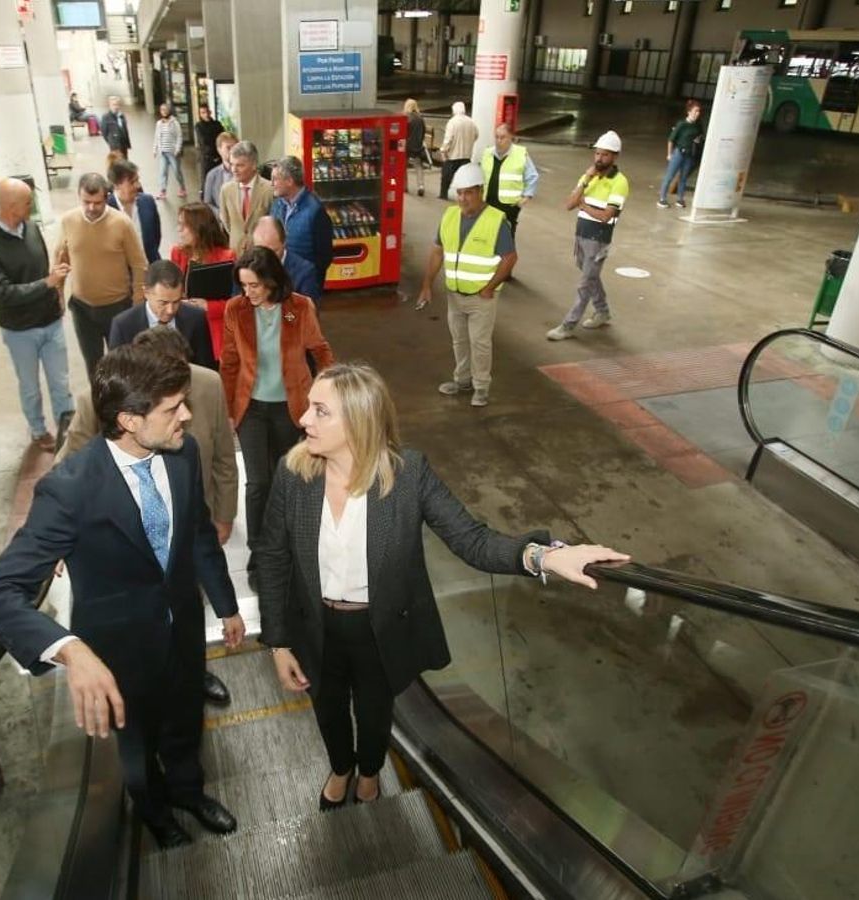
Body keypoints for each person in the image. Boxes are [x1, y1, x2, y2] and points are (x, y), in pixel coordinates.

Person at [255, 362, 630, 810]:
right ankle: (341, 768)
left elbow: (472, 540)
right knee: (328, 708)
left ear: (358, 420)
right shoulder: (293, 475)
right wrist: (279, 643)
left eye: (320, 411)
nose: (303, 420)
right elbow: (273, 558)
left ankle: (370, 772)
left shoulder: (408, 475)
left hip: (377, 630)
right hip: (315, 626)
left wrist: (544, 555)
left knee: (375, 712)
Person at [0, 344, 245, 849]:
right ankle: (156, 815)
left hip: (184, 629)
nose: (187, 415)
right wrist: (73, 652)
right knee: (136, 745)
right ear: (128, 419)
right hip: (115, 651)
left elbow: (199, 537)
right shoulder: (69, 490)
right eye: (172, 409)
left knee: (187, 718)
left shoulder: (182, 454)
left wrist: (226, 606)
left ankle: (190, 792)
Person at [54, 325, 240, 707]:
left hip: (188, 527)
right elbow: (67, 464)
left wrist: (224, 514)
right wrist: (57, 528)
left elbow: (223, 456)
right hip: (126, 543)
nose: (182, 410)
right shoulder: (98, 401)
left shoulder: (207, 385)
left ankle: (192, 673)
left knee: (187, 608)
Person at [221, 247, 335, 562]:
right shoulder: (235, 310)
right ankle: (259, 553)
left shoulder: (299, 307)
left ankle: (290, 541)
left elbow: (320, 351)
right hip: (251, 409)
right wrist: (229, 412)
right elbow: (229, 363)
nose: (248, 292)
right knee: (258, 482)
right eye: (243, 286)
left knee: (288, 477)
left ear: (271, 280)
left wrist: (325, 396)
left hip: (291, 408)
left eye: (254, 285)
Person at [0, 177, 74, 452]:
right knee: (30, 387)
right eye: (28, 202)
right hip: (20, 331)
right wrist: (47, 284)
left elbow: (43, 269)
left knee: (61, 382)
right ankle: (39, 431)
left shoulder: (30, 227)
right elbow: (4, 293)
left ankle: (68, 429)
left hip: (50, 321)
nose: (33, 205)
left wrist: (56, 292)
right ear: (11, 206)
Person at [414, 162, 515, 409]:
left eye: (468, 192)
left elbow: (510, 258)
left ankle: (481, 387)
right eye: (459, 192)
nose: (463, 198)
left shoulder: (495, 221)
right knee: (459, 340)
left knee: (479, 343)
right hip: (455, 295)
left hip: (481, 298)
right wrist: (427, 284)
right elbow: (437, 252)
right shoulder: (449, 216)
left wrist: (490, 288)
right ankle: (462, 381)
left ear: (480, 192)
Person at [54, 173, 149, 380]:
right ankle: (100, 407)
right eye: (86, 202)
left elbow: (140, 265)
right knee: (94, 366)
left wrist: (136, 303)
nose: (91, 208)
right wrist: (59, 293)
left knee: (123, 364)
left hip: (118, 308)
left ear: (106, 197)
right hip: (82, 310)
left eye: (97, 203)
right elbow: (60, 260)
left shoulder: (121, 223)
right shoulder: (68, 221)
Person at [547, 131, 630, 339]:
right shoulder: (589, 176)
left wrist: (582, 204)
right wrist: (585, 181)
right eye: (597, 154)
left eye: (605, 155)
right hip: (581, 234)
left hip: (598, 238)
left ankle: (568, 325)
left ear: (615, 156)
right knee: (590, 275)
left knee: (585, 283)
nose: (599, 159)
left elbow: (606, 215)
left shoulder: (619, 182)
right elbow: (568, 204)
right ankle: (602, 311)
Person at [109, 259, 217, 371]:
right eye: (163, 303)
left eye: (176, 301)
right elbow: (116, 373)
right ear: (146, 293)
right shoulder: (123, 325)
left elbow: (206, 368)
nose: (170, 310)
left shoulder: (196, 318)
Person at [171, 202, 239, 361]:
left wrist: (208, 306)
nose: (179, 230)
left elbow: (237, 303)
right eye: (178, 224)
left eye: (183, 225)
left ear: (198, 227)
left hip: (215, 330)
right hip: (186, 328)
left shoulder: (227, 257)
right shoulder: (177, 253)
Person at [269, 155, 334, 296]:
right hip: (279, 283)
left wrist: (308, 279)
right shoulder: (276, 205)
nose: (271, 183)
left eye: (275, 179)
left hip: (304, 286)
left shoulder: (315, 211)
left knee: (301, 318)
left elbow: (324, 257)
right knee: (285, 318)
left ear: (289, 181)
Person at [478, 122, 539, 237]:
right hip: (488, 203)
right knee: (487, 236)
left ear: (511, 137)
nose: (498, 141)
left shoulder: (521, 154)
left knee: (505, 238)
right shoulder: (487, 153)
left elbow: (532, 176)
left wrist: (526, 197)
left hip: (509, 206)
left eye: (502, 137)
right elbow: (480, 176)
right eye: (496, 137)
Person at [218, 140, 272, 255]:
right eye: (232, 164)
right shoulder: (226, 190)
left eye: (240, 165)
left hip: (262, 255)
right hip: (235, 254)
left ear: (254, 165)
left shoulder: (269, 190)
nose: (234, 170)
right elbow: (226, 221)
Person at [252, 215, 321, 303]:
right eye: (260, 251)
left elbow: (309, 313)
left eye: (273, 251)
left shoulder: (305, 273)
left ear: (284, 242)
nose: (267, 258)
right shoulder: (244, 269)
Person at [106, 158, 161, 264]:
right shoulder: (107, 210)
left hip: (150, 269)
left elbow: (156, 237)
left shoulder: (148, 202)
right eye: (132, 182)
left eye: (137, 180)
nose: (138, 185)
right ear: (117, 185)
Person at [659, 100, 703, 209]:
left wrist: (698, 141)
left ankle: (680, 199)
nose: (697, 114)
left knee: (683, 178)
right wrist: (669, 154)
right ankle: (662, 198)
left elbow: (700, 136)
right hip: (679, 153)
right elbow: (671, 139)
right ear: (689, 112)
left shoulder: (698, 126)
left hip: (689, 154)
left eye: (699, 111)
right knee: (670, 176)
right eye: (695, 111)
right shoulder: (682, 125)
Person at [438, 101, 478, 200]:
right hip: (466, 155)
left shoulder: (452, 122)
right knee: (465, 178)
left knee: (446, 176)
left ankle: (443, 194)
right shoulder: (471, 121)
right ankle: (466, 196)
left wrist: (443, 150)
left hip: (453, 156)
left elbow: (448, 139)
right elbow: (476, 135)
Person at [153, 102, 187, 200]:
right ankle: (162, 191)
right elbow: (156, 137)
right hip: (163, 152)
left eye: (165, 109)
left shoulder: (174, 123)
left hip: (173, 152)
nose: (163, 111)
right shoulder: (159, 124)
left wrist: (177, 149)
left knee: (177, 172)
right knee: (163, 172)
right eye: (162, 110)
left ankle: (182, 188)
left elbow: (179, 136)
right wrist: (154, 149)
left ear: (169, 111)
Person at [403, 98, 433, 197]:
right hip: (417, 146)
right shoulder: (420, 118)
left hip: (406, 146)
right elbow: (423, 132)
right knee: (418, 166)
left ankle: (404, 186)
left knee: (403, 167)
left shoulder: (405, 118)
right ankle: (421, 186)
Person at [202, 131, 238, 212]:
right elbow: (207, 204)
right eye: (228, 148)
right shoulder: (212, 175)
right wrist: (221, 215)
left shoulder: (245, 172)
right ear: (219, 150)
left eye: (235, 147)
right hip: (220, 220)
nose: (232, 151)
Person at [193, 105, 225, 184]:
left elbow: (223, 137)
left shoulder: (217, 124)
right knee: (206, 179)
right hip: (207, 157)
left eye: (207, 112)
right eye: (203, 113)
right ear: (200, 114)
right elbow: (203, 141)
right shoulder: (199, 126)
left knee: (220, 178)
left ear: (210, 112)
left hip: (219, 155)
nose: (206, 114)